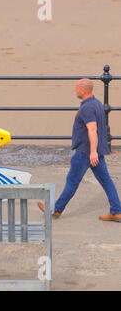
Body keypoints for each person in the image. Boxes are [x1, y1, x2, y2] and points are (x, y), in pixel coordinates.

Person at [38, 79, 121, 222]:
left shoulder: (87, 108)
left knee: (72, 181)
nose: (75, 91)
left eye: (77, 88)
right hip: (96, 152)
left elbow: (92, 129)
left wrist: (93, 152)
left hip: (86, 152)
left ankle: (56, 210)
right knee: (106, 181)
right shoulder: (95, 104)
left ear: (82, 90)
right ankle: (117, 212)